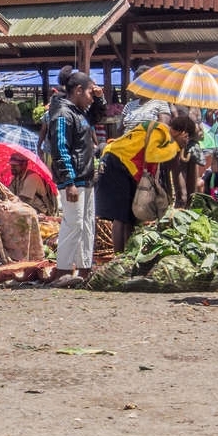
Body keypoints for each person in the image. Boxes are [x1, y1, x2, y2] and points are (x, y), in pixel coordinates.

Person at [95, 120, 184, 253]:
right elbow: (151, 165)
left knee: (130, 216)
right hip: (117, 162)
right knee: (121, 216)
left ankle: (128, 253)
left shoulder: (162, 134)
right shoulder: (161, 134)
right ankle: (119, 256)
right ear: (180, 132)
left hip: (125, 164)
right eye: (186, 136)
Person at [49, 71, 98, 287]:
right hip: (74, 180)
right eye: (89, 92)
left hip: (85, 178)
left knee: (87, 225)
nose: (91, 97)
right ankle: (63, 270)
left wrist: (101, 98)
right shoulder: (62, 115)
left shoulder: (79, 113)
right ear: (78, 91)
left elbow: (100, 115)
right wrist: (68, 181)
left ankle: (84, 268)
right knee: (73, 224)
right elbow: (60, 148)